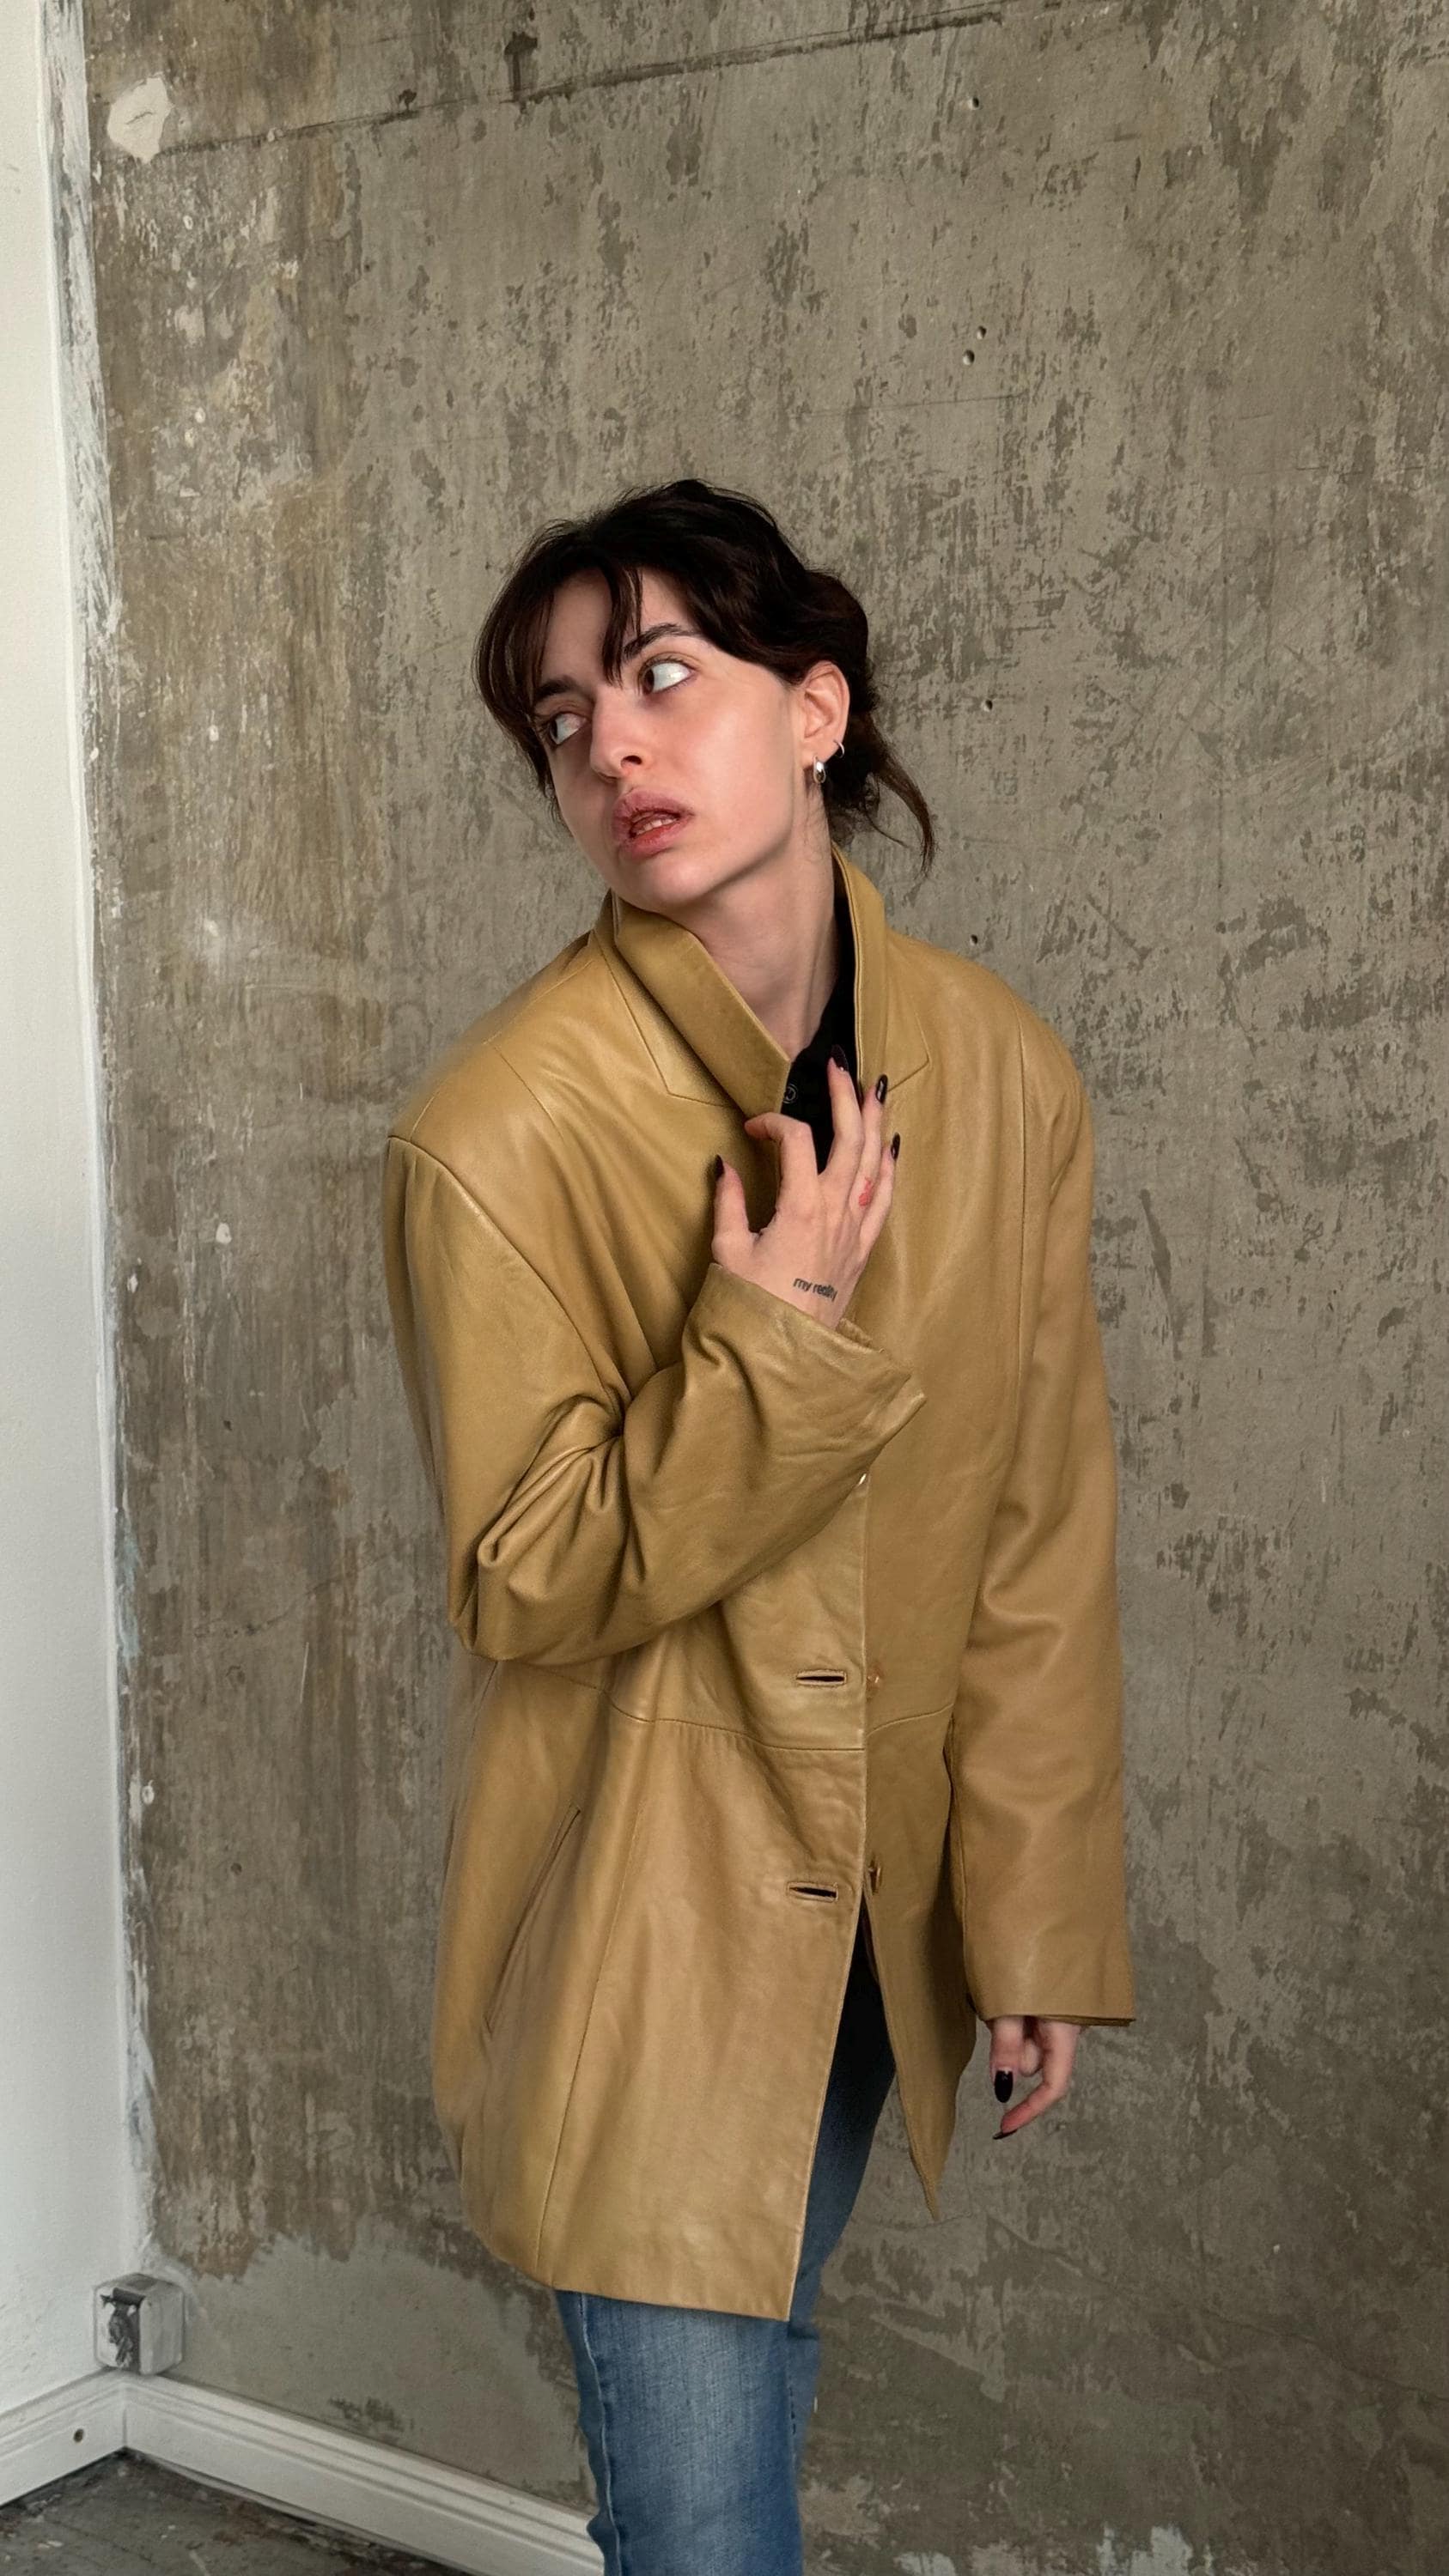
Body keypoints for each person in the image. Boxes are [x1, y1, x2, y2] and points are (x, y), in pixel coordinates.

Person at [381, 476, 1135, 2575]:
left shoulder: (996, 1075)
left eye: (659, 676)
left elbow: (1032, 1530)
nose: (607, 744)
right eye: (558, 718)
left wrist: (1032, 1912)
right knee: (702, 2531)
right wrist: (770, 1330)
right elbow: (529, 1577)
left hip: (878, 1921)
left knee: (753, 2436)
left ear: (817, 709)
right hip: (649, 1925)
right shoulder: (497, 1134)